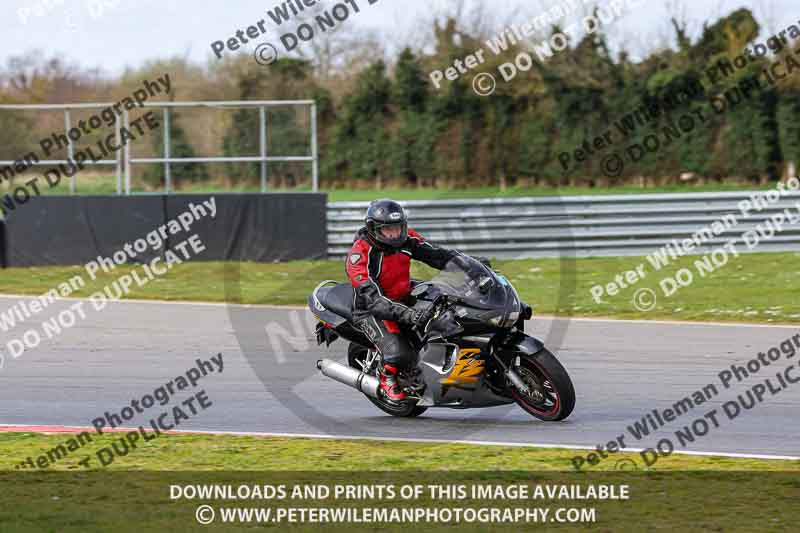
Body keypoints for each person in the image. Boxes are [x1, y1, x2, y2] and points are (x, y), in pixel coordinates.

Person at [345, 198, 458, 401]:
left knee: (449, 305)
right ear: (373, 229)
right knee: (398, 352)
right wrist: (411, 315)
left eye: (397, 228)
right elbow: (374, 300)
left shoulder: (407, 239)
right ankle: (386, 375)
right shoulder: (359, 256)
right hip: (372, 310)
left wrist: (466, 264)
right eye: (388, 230)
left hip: (403, 295)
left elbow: (437, 255)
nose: (395, 234)